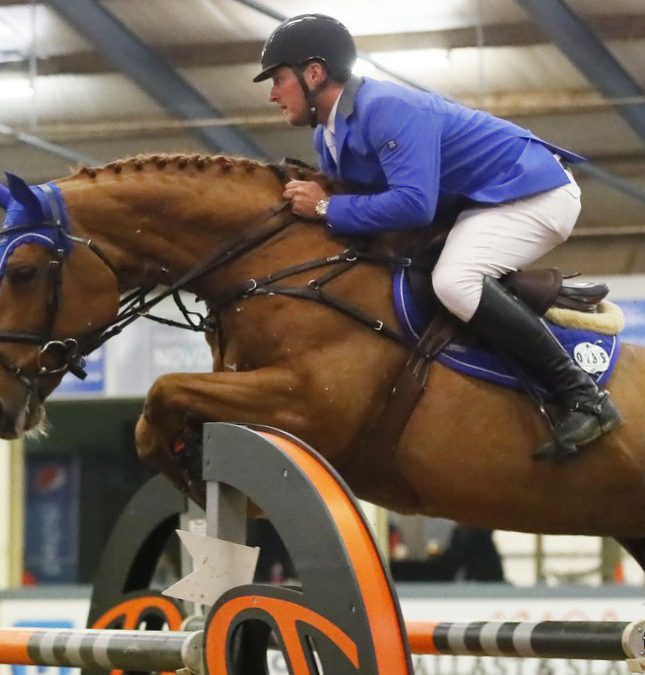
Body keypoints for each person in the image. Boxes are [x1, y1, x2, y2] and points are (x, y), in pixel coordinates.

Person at [254, 14, 621, 460]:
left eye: (278, 78)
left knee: (454, 281)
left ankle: (585, 397)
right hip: (480, 203)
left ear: (314, 73)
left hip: (533, 193)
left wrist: (327, 207)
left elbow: (412, 204)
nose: (273, 93)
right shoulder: (327, 138)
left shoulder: (384, 107)